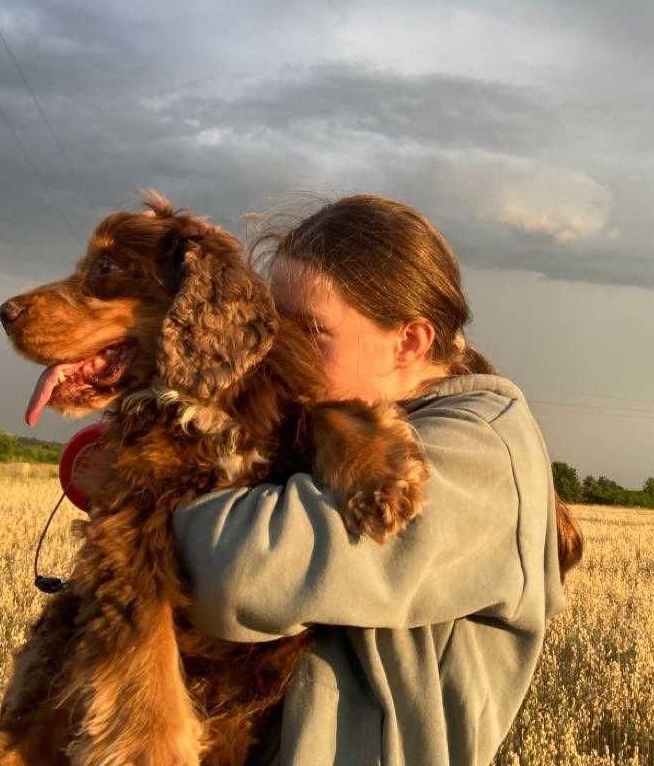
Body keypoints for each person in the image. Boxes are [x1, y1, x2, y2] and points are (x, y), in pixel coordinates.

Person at [171, 193, 583, 766]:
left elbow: (240, 573)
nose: (273, 353)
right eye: (274, 324)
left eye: (311, 332)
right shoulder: (316, 426)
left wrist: (140, 498)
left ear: (409, 342)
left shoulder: (480, 450)